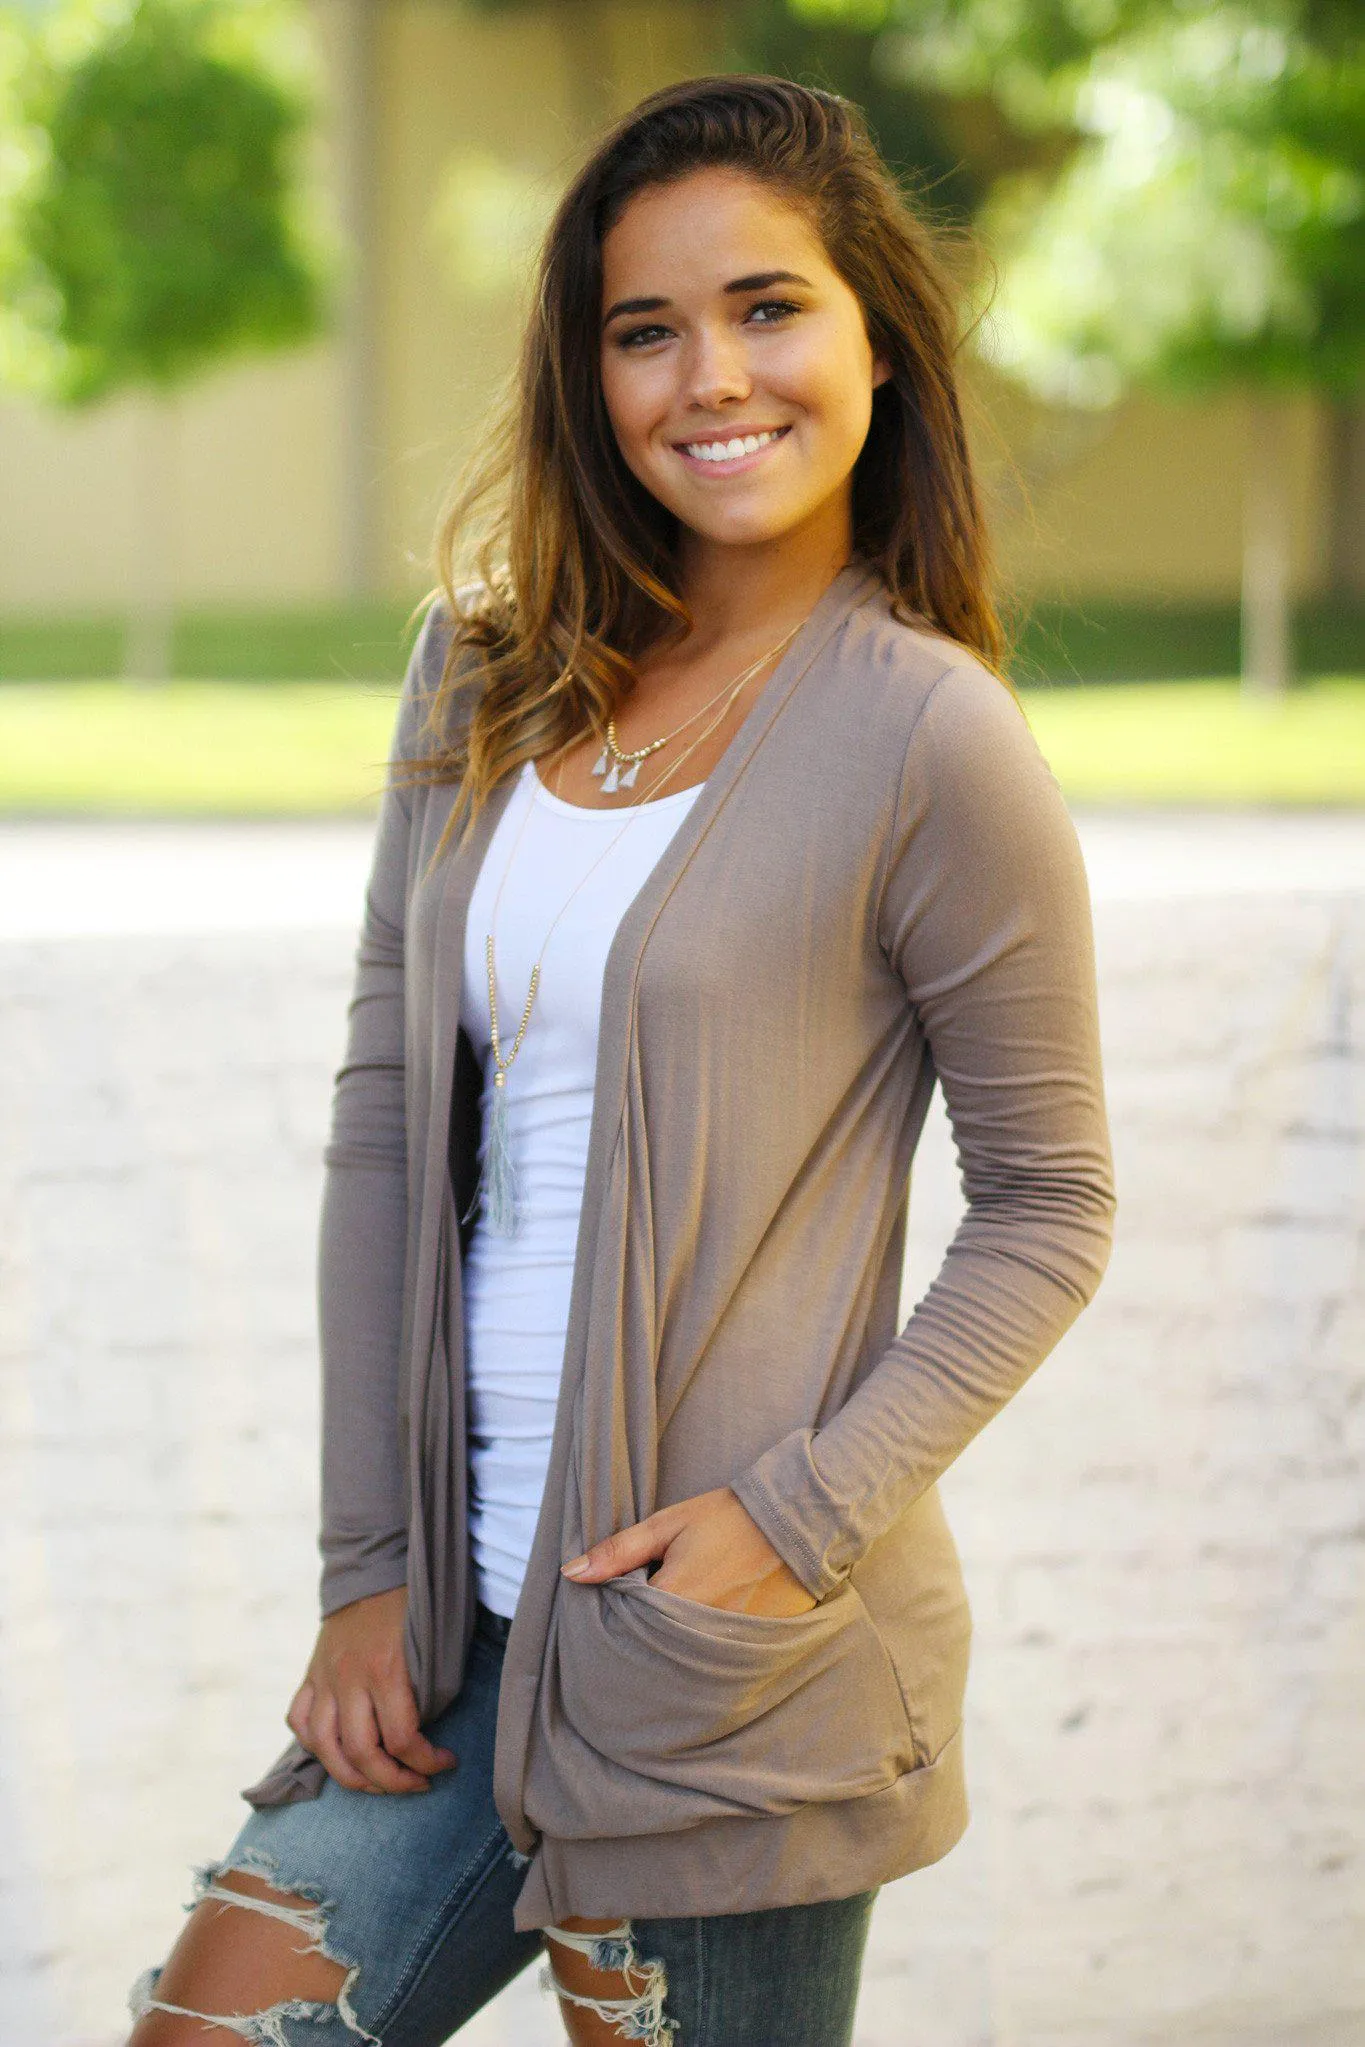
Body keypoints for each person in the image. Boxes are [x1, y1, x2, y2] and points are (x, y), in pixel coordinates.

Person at [126, 72, 1117, 2047]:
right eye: (641, 328)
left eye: (766, 307)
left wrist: (790, 1525)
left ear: (872, 345)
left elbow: (1050, 1207)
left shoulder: (926, 736)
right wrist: (364, 1575)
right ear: (585, 378)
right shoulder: (483, 672)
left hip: (709, 1663)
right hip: (453, 1635)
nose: (707, 376)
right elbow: (390, 1125)